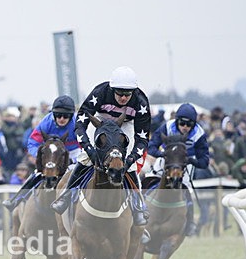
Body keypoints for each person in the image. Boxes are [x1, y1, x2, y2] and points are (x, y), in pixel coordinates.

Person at [51, 66, 152, 227]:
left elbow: (142, 139)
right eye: (119, 93)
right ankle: (67, 195)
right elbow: (80, 124)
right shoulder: (100, 92)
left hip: (125, 125)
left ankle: (138, 207)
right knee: (85, 158)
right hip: (99, 121)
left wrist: (130, 159)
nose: (124, 98)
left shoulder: (141, 102)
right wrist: (88, 148)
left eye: (128, 94)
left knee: (130, 167)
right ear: (112, 89)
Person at [2, 95, 81, 210]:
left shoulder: (77, 124)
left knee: (78, 172)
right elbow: (32, 142)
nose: (62, 119)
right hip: (52, 154)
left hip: (73, 151)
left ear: (71, 115)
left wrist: (73, 159)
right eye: (58, 115)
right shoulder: (46, 122)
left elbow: (84, 146)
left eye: (66, 116)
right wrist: (40, 157)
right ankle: (15, 200)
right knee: (38, 172)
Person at [146, 103, 210, 236]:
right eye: (182, 123)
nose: (185, 127)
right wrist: (161, 154)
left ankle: (190, 223)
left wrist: (192, 160)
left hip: (184, 166)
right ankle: (138, 213)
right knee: (146, 181)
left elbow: (204, 160)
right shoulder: (167, 126)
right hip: (165, 161)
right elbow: (152, 146)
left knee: (186, 190)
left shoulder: (199, 134)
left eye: (189, 124)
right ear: (177, 121)